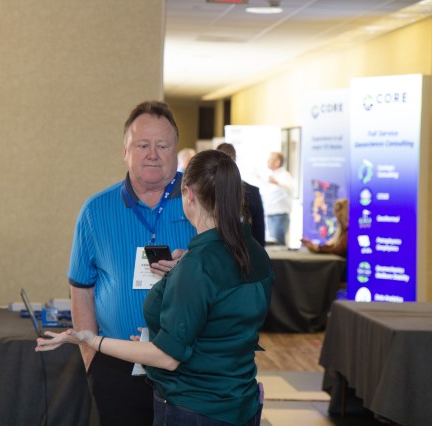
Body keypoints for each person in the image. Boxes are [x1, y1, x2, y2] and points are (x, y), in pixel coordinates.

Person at [39, 149, 273, 425]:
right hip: (242, 402)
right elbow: (224, 322)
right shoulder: (254, 253)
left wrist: (92, 340)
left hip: (194, 408)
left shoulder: (198, 265)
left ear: (188, 194)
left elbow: (167, 357)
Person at [68, 101, 196, 425]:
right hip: (116, 367)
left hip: (188, 366)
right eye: (142, 145)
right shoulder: (95, 211)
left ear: (175, 151)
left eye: (162, 145)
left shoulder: (203, 203)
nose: (152, 154)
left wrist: (194, 264)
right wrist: (91, 358)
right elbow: (81, 288)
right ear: (125, 151)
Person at [216, 142, 266, 247]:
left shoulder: (207, 191)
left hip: (217, 250)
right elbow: (259, 232)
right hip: (247, 250)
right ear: (235, 159)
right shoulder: (252, 192)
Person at [262, 151, 295, 246]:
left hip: (280, 215)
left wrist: (277, 183)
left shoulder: (285, 175)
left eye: (270, 159)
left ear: (278, 162)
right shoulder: (272, 176)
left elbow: (290, 189)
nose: (268, 161)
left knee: (279, 243)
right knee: (273, 243)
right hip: (270, 214)